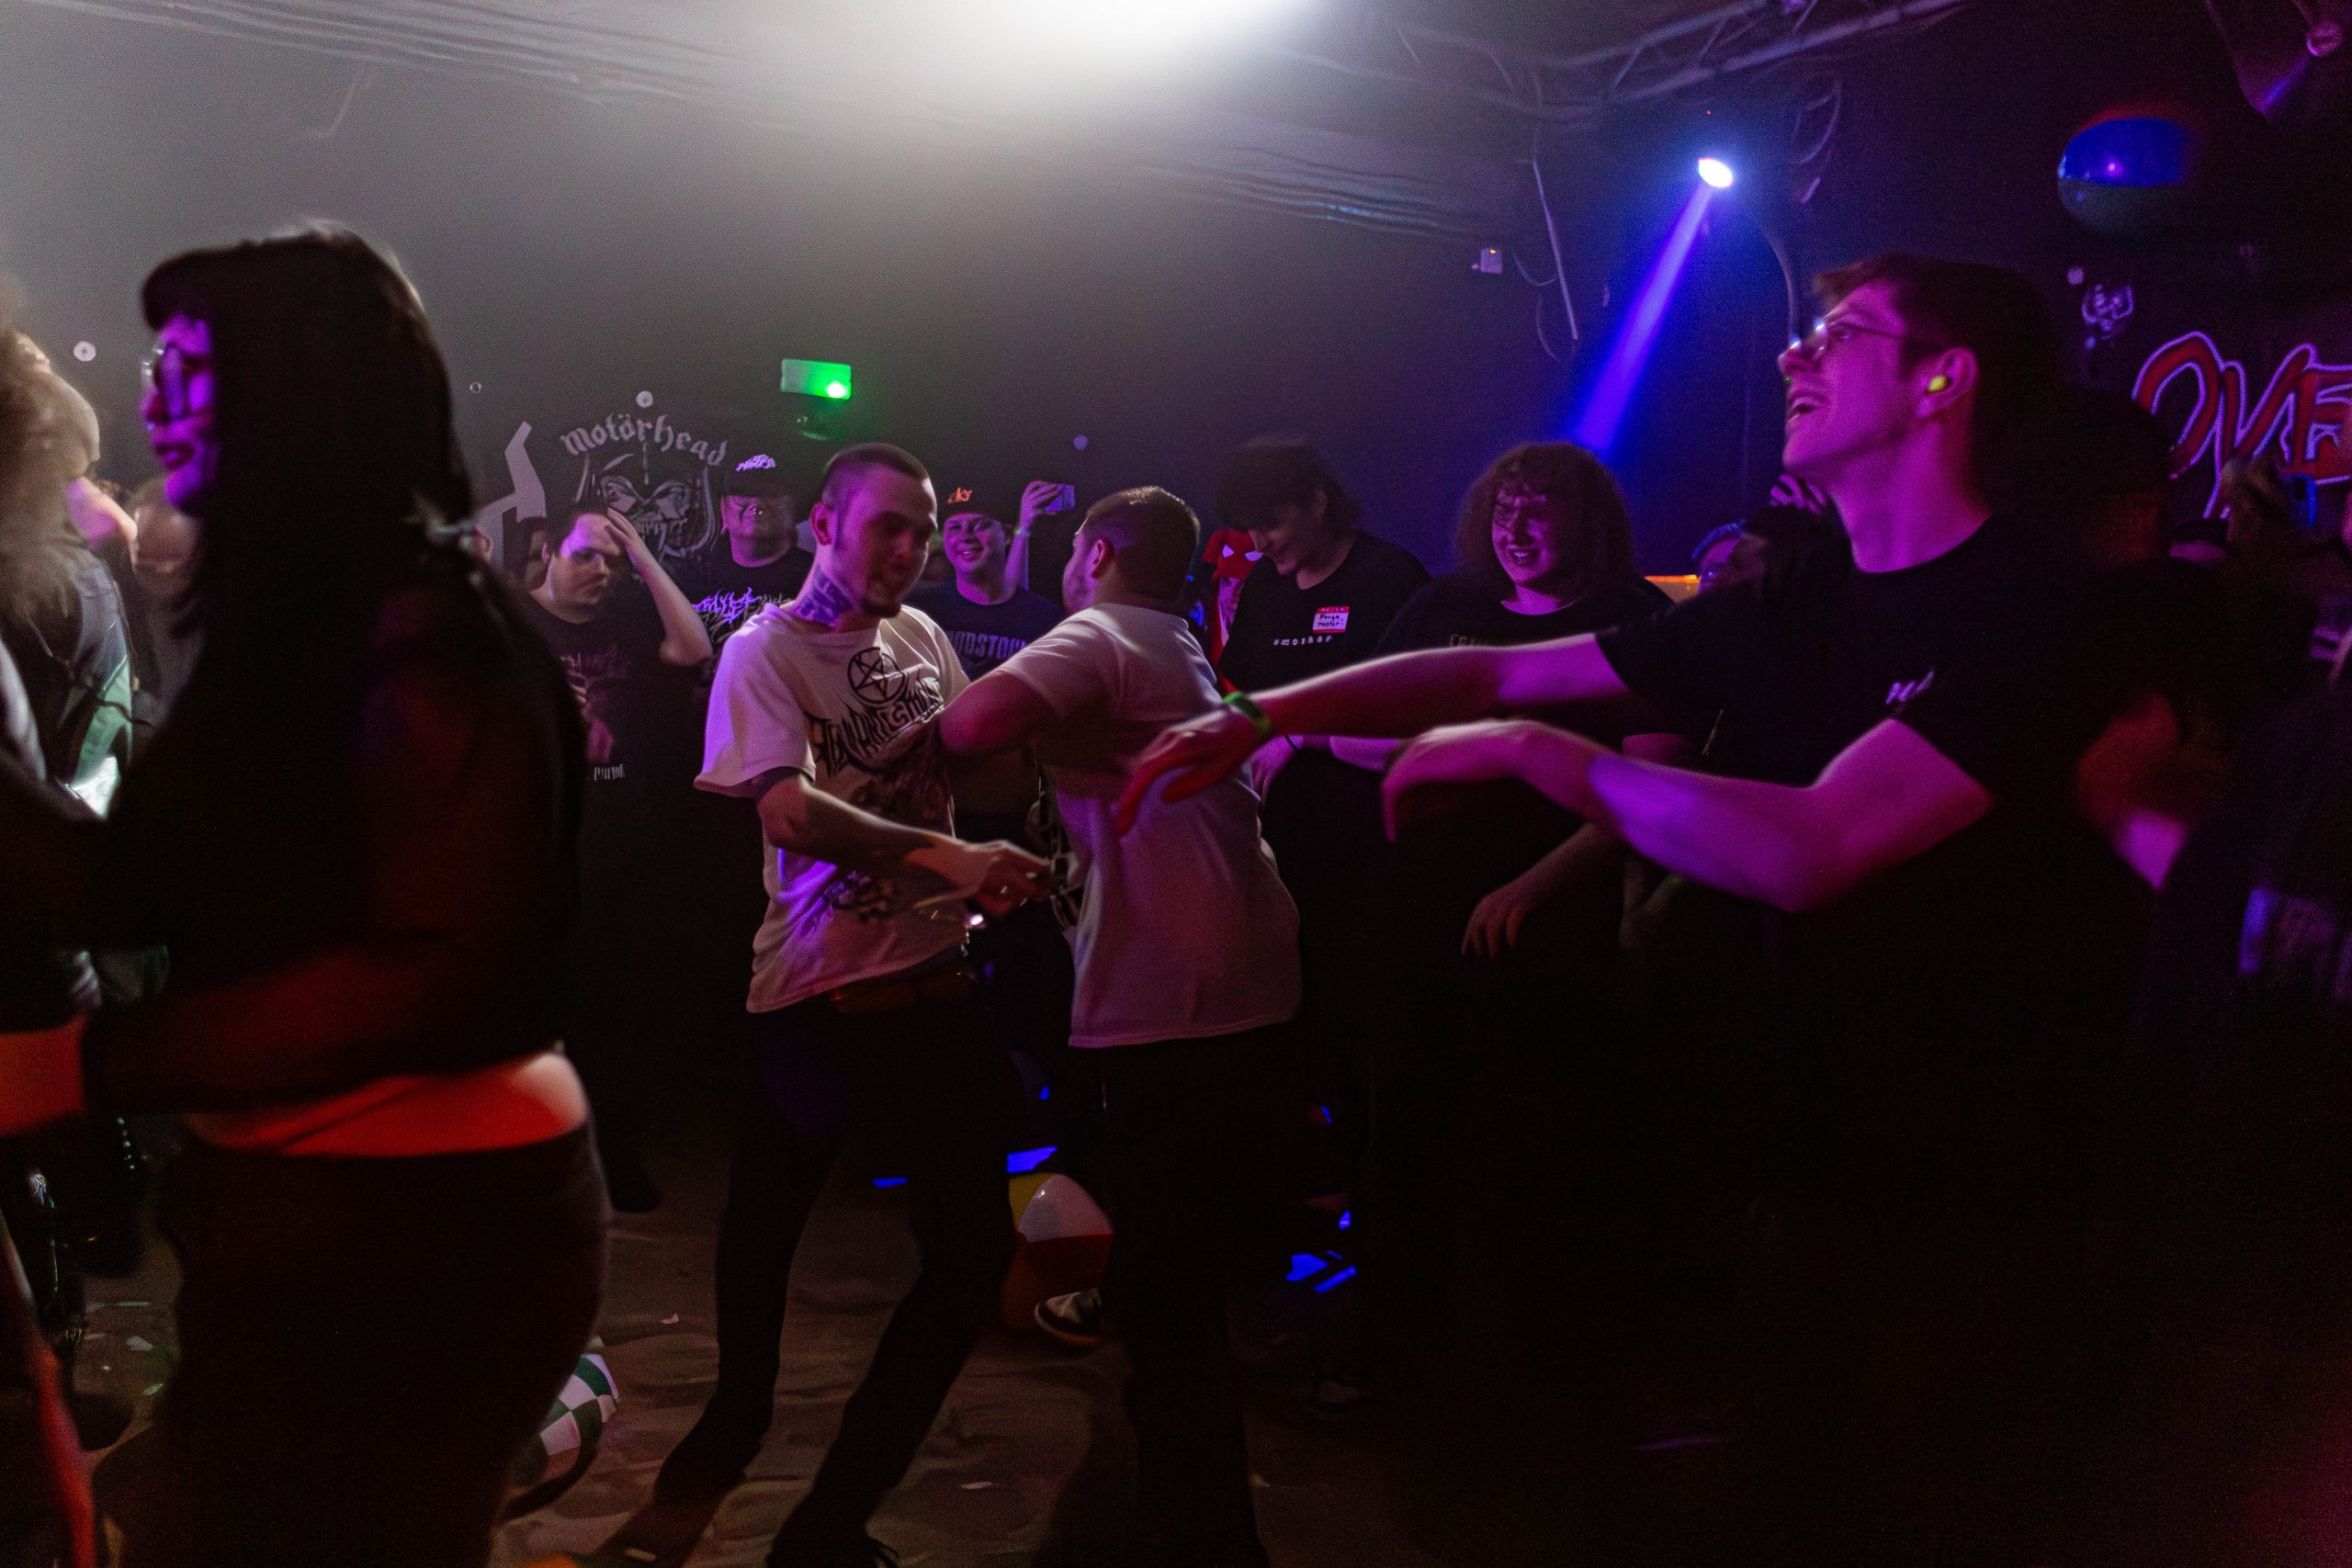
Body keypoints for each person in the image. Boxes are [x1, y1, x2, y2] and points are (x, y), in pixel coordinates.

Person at [1125, 255, 2149, 1561]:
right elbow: (1494, 666)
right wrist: (1261, 710)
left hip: (1980, 1190)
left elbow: (1816, 843)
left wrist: (1538, 756)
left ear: (1944, 379)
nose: (1792, 356)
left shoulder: (2040, 609)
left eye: (1841, 334)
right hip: (1814, 1145)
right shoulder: (1800, 596)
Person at [0, 226, 605, 1566]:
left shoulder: (424, 622)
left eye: (189, 369)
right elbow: (128, 884)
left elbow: (431, 972)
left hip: (428, 1230)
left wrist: (80, 1063)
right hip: (311, 1216)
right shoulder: (293, 616)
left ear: (304, 389)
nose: (154, 401)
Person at [655, 441, 1055, 1567]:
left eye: (921, 530)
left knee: (968, 1258)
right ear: (824, 525)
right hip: (819, 991)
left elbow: (979, 772)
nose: (909, 549)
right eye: (888, 525)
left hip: (934, 987)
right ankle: (737, 1413)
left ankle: (828, 1520)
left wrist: (1052, 740)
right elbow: (789, 813)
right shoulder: (764, 651)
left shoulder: (921, 636)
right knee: (764, 1225)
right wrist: (951, 858)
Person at [938, 487, 1301, 1568]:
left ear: (1094, 554)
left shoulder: (1101, 633)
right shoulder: (1176, 639)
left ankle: (1201, 1532)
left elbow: (966, 727)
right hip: (1242, 971)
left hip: (1173, 986)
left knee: (1169, 1290)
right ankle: (1183, 1499)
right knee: (1177, 1261)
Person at [1318, 443, 1674, 1409]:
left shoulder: (1635, 620)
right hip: (1415, 908)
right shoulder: (1442, 607)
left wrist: (1535, 884)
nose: (1515, 527)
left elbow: (1657, 781)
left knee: (1539, 1136)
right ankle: (1390, 1339)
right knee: (1402, 1125)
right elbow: (1355, 730)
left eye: (1539, 509)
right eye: (1503, 507)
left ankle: (1538, 1361)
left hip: (1551, 923)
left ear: (1586, 520)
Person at [1209, 436, 1428, 1103]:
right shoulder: (1264, 588)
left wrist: (1302, 736)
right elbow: (1247, 693)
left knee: (1366, 1006)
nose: (1259, 542)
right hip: (1283, 839)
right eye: (1249, 526)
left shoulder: (1389, 577)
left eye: (1271, 523)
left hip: (1373, 837)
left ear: (1318, 501)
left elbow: (1418, 715)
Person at [523, 502, 713, 1211]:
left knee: (620, 1011)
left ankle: (616, 1155)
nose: (599, 571)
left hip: (621, 846)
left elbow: (692, 648)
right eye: (585, 555)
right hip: (540, 849)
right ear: (547, 552)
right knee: (546, 1011)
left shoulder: (625, 627)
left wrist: (644, 556)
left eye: (611, 561)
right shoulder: (514, 625)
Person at [907, 491, 1063, 679]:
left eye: (980, 525)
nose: (965, 536)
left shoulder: (1045, 619)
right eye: (955, 527)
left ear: (1007, 535)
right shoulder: (923, 610)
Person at [676, 453, 813, 650]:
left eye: (769, 494)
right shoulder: (692, 577)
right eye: (743, 495)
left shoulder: (815, 580)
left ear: (793, 508)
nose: (755, 504)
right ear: (723, 509)